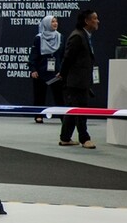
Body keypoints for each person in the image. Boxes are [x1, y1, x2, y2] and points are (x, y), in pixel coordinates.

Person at [58, 9, 100, 149]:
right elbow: (68, 58)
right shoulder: (77, 36)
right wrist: (63, 74)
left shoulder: (85, 36)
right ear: (86, 21)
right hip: (76, 81)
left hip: (81, 80)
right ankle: (85, 139)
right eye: (94, 18)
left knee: (72, 109)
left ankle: (65, 138)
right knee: (81, 111)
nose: (97, 21)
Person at [28, 15, 64, 123]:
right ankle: (38, 115)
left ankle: (63, 117)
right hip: (41, 71)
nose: (55, 24)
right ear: (47, 24)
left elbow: (63, 55)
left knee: (59, 96)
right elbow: (34, 55)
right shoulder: (39, 38)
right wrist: (33, 69)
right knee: (39, 95)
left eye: (56, 21)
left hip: (56, 72)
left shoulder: (60, 37)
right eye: (52, 22)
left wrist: (62, 70)